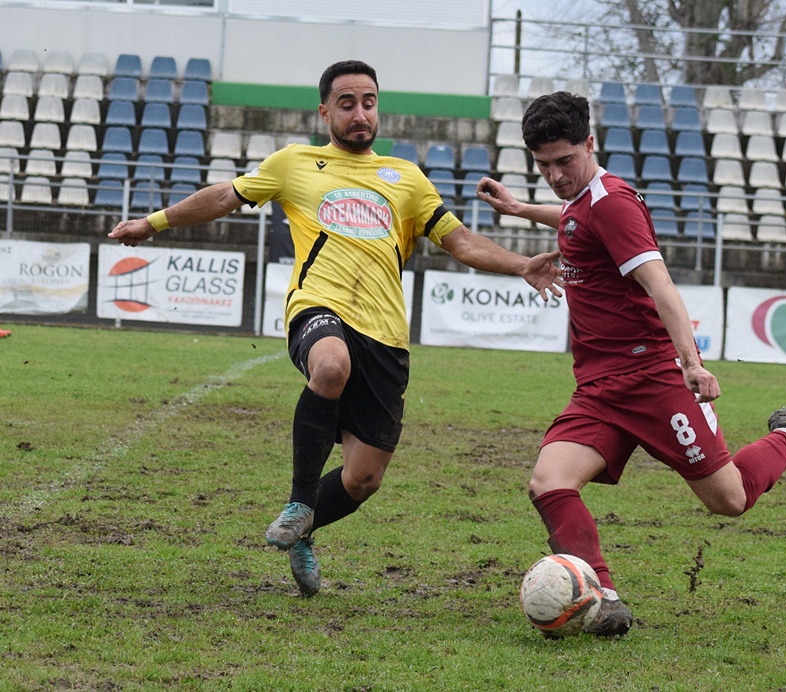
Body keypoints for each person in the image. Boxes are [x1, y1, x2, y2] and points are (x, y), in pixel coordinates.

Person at [109, 60, 562, 597]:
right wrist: (153, 223)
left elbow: (460, 241)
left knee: (363, 479)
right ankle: (300, 501)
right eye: (347, 103)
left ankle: (305, 529)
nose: (360, 113)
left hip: (386, 336)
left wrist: (521, 264)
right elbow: (224, 197)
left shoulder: (406, 178)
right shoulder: (294, 163)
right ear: (325, 112)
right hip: (318, 306)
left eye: (368, 102)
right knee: (330, 365)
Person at [476, 91, 786, 637]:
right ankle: (602, 599)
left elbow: (661, 285)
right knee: (549, 483)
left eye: (564, 161)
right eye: (543, 165)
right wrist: (520, 209)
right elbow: (574, 219)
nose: (555, 176)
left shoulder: (613, 203)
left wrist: (691, 365)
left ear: (590, 144)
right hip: (599, 388)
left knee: (730, 499)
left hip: (652, 380)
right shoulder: (584, 202)